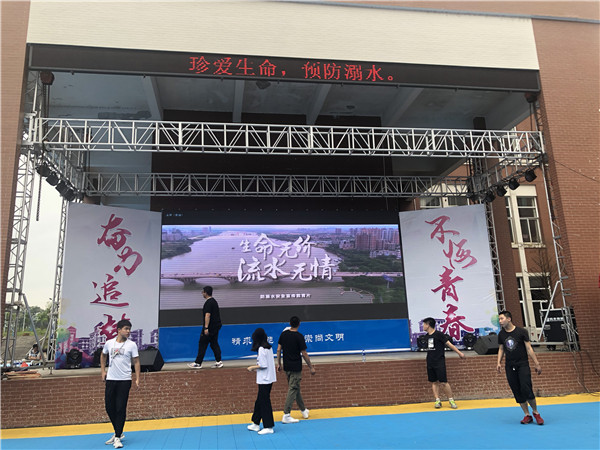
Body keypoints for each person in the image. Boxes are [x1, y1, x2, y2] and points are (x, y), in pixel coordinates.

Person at [496, 310, 544, 425]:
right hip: (509, 366)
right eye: (499, 319)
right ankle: (527, 415)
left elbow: (529, 348)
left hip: (522, 364)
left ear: (509, 319)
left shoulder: (521, 332)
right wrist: (498, 362)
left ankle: (536, 412)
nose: (500, 321)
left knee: (526, 387)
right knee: (516, 389)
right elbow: (501, 349)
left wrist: (536, 363)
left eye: (502, 319)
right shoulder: (501, 334)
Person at [101, 319, 140, 449]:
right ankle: (118, 431)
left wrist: (137, 378)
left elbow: (136, 362)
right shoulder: (109, 343)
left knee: (120, 408)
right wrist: (103, 371)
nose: (128, 331)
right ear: (118, 330)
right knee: (109, 407)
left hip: (124, 380)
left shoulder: (132, 345)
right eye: (126, 329)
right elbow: (103, 355)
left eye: (129, 329)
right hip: (111, 379)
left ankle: (117, 436)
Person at [276, 316, 316, 424]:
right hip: (296, 367)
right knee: (293, 388)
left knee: (295, 388)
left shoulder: (283, 334)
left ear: (290, 323)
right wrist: (311, 367)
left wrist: (279, 364)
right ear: (299, 324)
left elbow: (278, 350)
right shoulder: (299, 336)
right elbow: (304, 353)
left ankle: (303, 410)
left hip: (287, 366)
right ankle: (286, 414)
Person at [422, 317, 466, 409]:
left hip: (439, 361)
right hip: (430, 362)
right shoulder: (426, 336)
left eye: (424, 324)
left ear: (428, 325)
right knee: (434, 382)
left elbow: (449, 344)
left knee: (443, 382)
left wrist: (459, 353)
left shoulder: (439, 334)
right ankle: (437, 400)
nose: (423, 326)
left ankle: (451, 400)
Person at [246, 328, 277, 435]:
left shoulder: (261, 349)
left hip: (264, 379)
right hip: (269, 378)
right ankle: (255, 423)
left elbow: (263, 365)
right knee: (259, 401)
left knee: (264, 402)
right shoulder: (268, 348)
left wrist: (252, 367)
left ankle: (268, 426)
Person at [188, 286, 223, 369]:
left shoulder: (208, 303)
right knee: (214, 344)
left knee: (202, 344)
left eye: (203, 292)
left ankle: (198, 363)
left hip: (210, 327)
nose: (202, 293)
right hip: (216, 326)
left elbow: (207, 315)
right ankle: (219, 361)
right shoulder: (214, 301)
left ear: (206, 293)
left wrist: (206, 328)